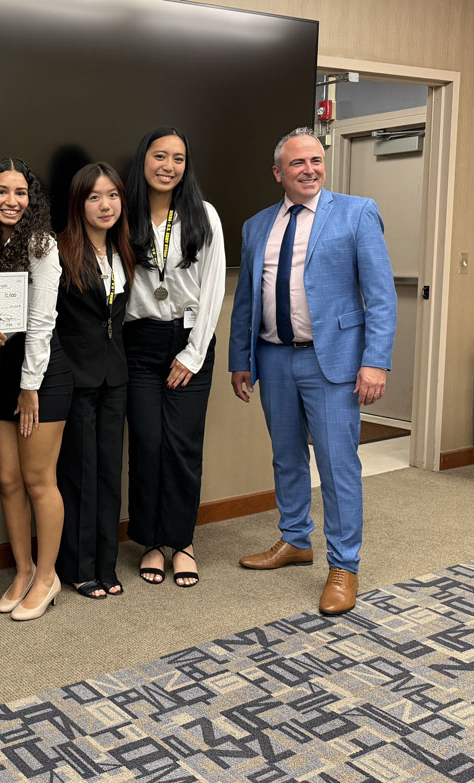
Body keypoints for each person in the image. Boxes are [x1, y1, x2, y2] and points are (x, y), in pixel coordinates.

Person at [228, 127, 397, 616]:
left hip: (335, 362)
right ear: (278, 172)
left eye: (316, 161)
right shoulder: (257, 225)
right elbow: (247, 300)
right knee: (286, 457)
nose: (309, 169)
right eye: (298, 163)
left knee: (337, 465)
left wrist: (375, 361)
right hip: (275, 358)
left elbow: (381, 297)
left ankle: (344, 565)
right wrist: (242, 357)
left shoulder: (356, 213)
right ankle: (295, 539)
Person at [123, 126, 226, 588]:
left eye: (179, 158)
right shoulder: (122, 213)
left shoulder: (203, 215)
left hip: (190, 341)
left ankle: (181, 542)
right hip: (138, 343)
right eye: (160, 156)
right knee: (147, 445)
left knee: (183, 446)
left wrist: (193, 353)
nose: (169, 166)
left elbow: (214, 288)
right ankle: (150, 541)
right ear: (143, 159)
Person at [0, 158, 71, 620]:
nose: (11, 201)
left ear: (33, 200)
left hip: (41, 374)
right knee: (8, 481)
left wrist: (30, 386)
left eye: (21, 193)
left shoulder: (42, 243)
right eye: (1, 191)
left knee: (37, 480)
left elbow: (41, 320)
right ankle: (23, 569)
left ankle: (47, 578)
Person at [54, 163, 135, 598]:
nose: (105, 206)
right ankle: (79, 566)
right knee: (79, 474)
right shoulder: (60, 249)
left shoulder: (124, 250)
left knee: (108, 472)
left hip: (115, 377)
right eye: (94, 197)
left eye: (112, 196)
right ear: (79, 203)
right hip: (76, 378)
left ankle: (106, 563)